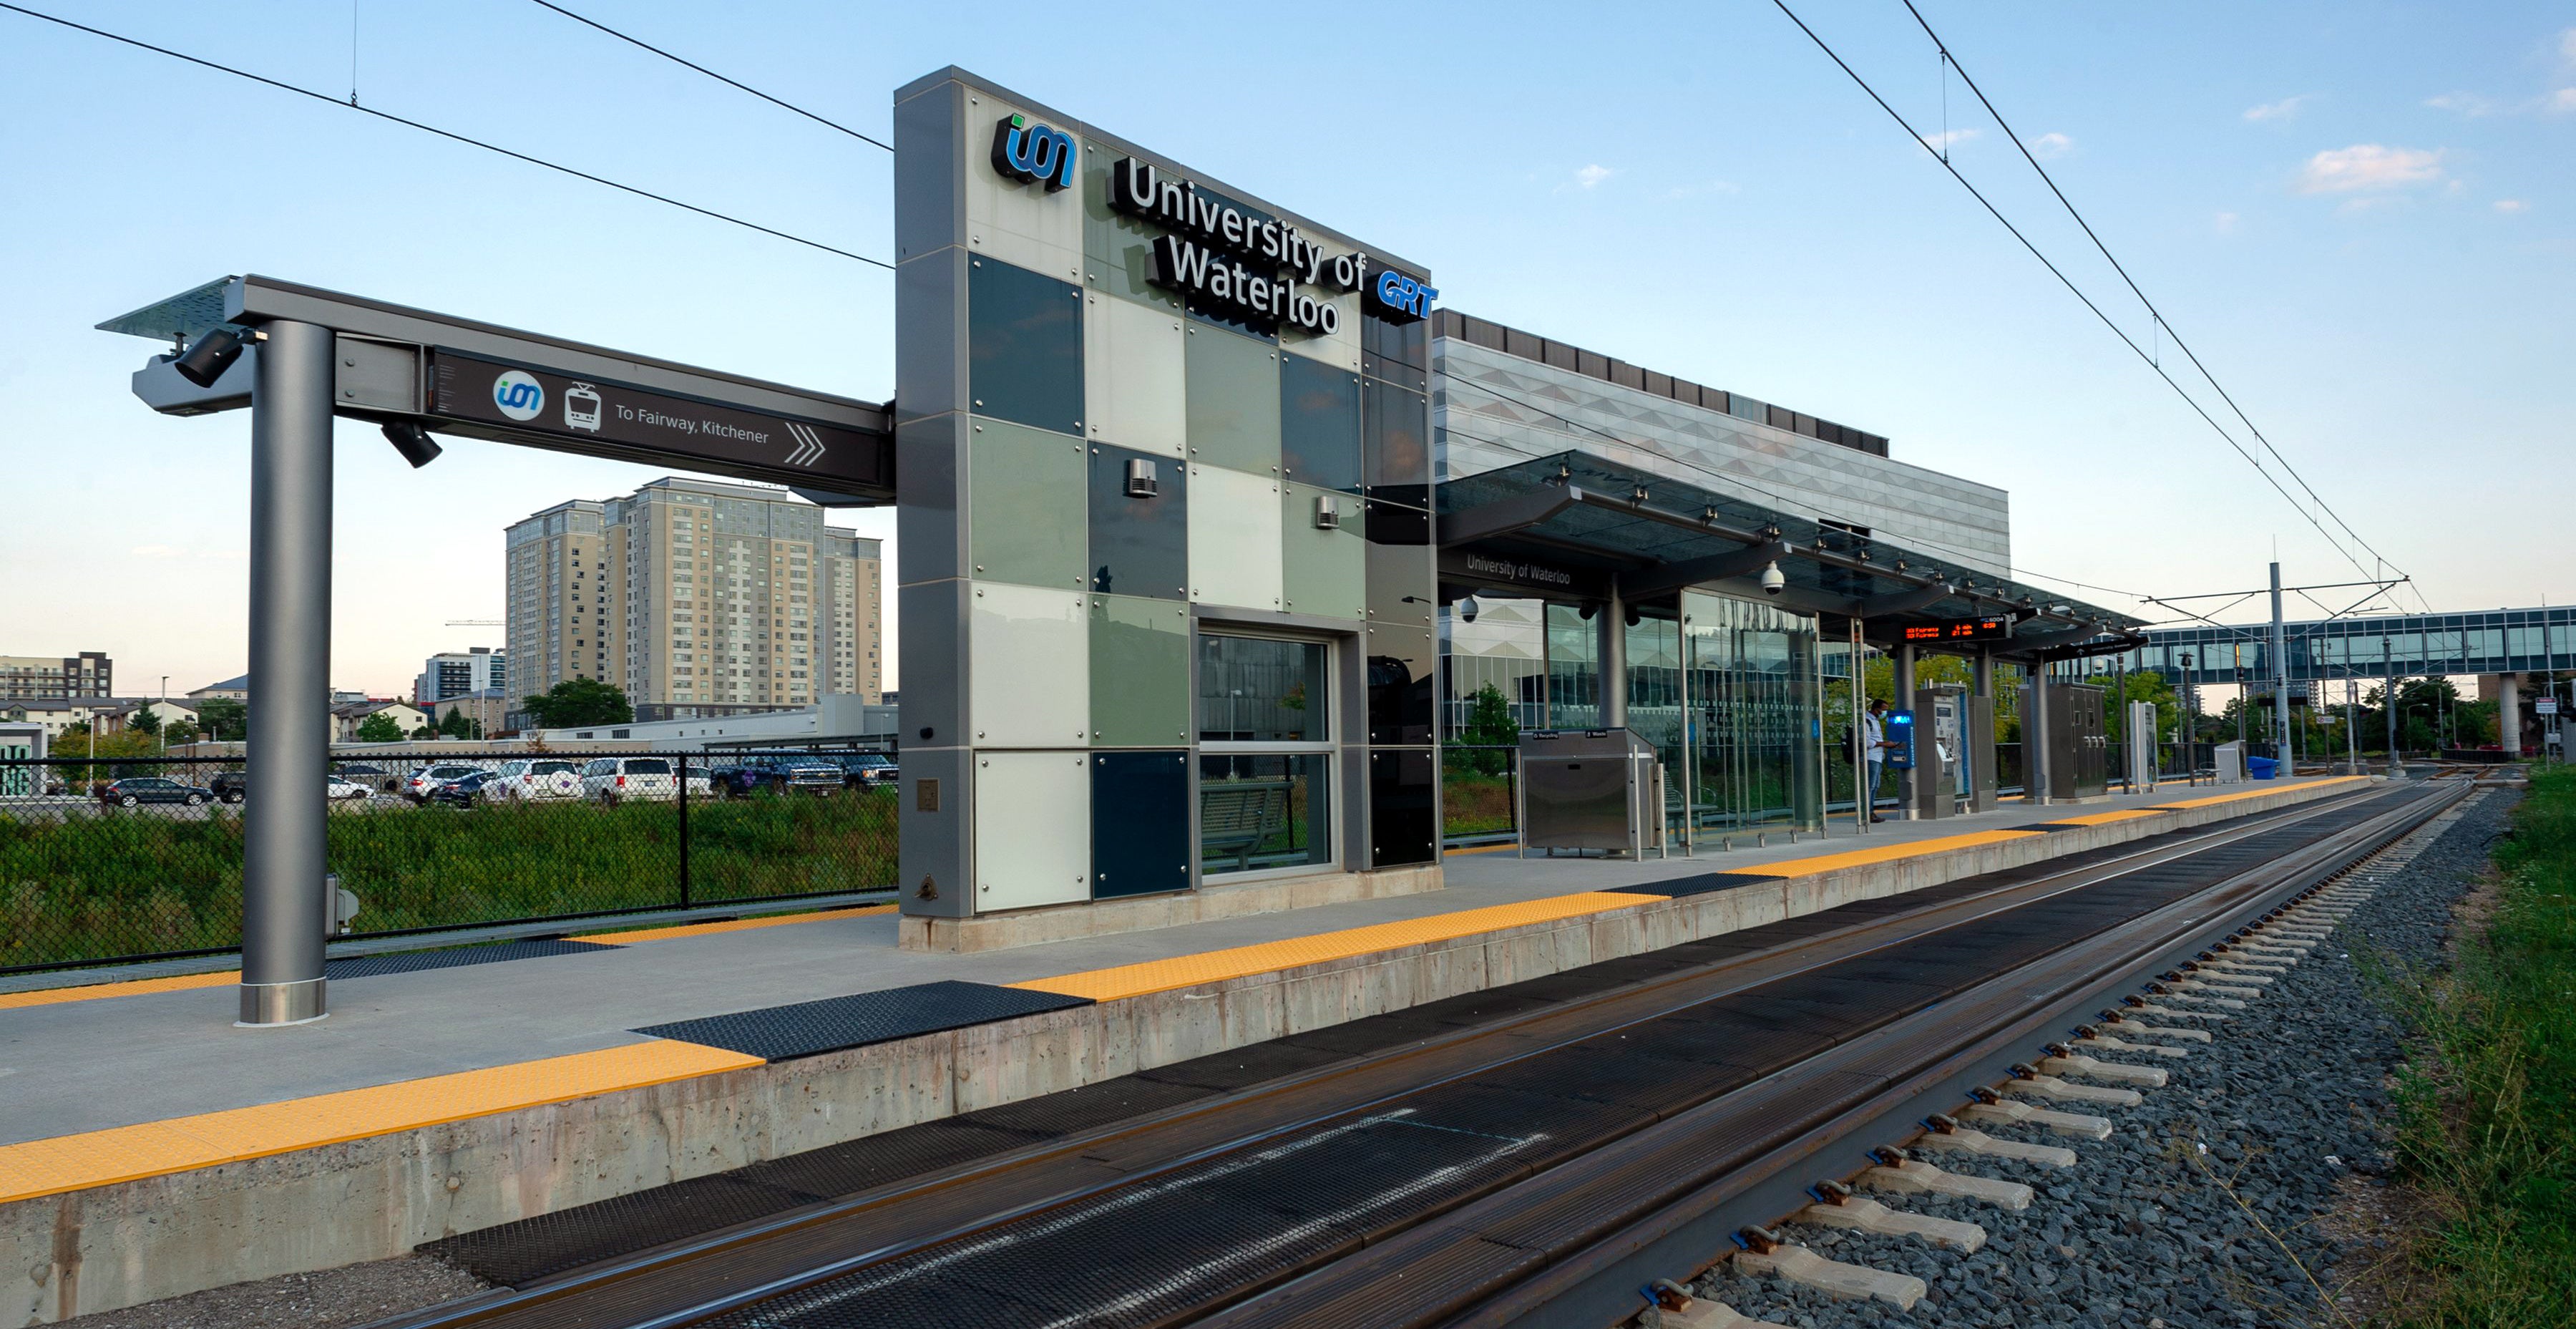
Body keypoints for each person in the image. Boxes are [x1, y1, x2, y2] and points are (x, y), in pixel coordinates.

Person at [1862, 698, 1890, 823]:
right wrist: (1884, 744)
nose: (1885, 712)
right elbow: (1867, 741)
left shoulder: (1875, 721)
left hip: (1878, 757)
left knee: (1875, 786)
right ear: (1876, 709)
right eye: (1884, 710)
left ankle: (1870, 811)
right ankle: (1867, 813)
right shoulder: (1867, 721)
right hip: (1870, 757)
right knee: (1870, 786)